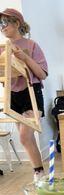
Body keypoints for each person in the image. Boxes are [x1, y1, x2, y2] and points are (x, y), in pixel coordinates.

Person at [0, 8, 48, 181]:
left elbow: (42, 74)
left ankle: (38, 173)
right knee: (27, 138)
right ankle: (40, 171)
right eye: (0, 24)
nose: (2, 27)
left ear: (17, 23)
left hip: (31, 94)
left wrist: (25, 58)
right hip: (12, 95)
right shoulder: (2, 48)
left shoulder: (31, 45)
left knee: (24, 136)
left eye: (5, 23)